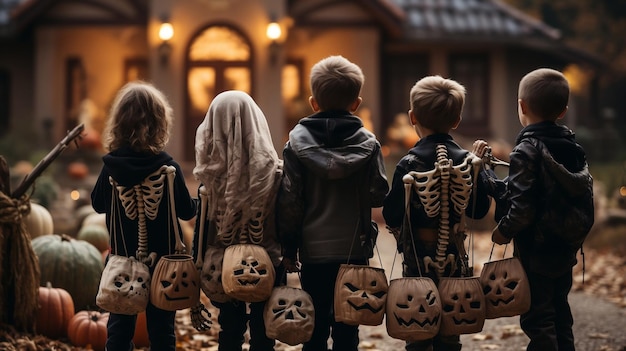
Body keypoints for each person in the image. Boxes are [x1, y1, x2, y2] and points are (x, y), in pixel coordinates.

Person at [277, 55, 389, 351]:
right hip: (354, 250)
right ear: (357, 103)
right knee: (347, 329)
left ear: (314, 103)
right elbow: (378, 194)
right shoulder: (369, 145)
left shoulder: (295, 146)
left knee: (313, 327)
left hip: (313, 252)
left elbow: (290, 201)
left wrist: (289, 248)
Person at [382, 75, 493, 351]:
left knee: (417, 322)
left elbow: (392, 214)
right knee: (451, 326)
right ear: (457, 121)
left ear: (412, 117)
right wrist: (482, 169)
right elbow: (478, 211)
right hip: (455, 258)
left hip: (418, 257)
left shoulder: (409, 163)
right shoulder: (466, 161)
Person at [488, 68, 594, 351]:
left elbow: (522, 206)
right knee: (560, 313)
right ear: (563, 110)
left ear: (522, 107)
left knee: (537, 318)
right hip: (565, 245)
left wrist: (503, 231)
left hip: (536, 249)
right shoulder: (573, 148)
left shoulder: (525, 150)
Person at [91, 81, 198, 351]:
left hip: (123, 262)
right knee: (162, 333)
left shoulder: (110, 167)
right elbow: (187, 211)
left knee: (118, 332)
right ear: (159, 124)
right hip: (164, 267)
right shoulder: (169, 168)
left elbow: (97, 205)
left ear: (118, 124)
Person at [193, 90, 283, 351]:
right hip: (269, 261)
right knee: (263, 330)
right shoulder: (275, 172)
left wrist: (198, 263)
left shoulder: (210, 175)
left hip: (223, 265)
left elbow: (203, 229)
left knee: (230, 329)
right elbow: (285, 218)